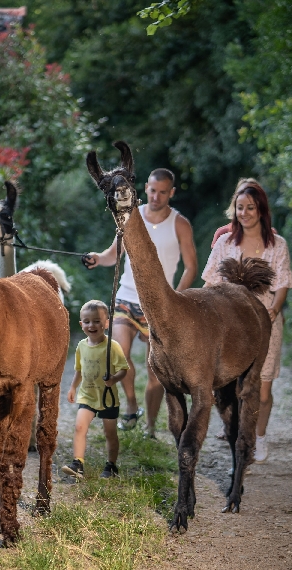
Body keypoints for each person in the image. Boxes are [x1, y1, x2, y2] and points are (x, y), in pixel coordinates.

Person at [83, 168, 198, 438]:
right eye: (152, 190)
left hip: (161, 304)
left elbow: (191, 267)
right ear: (145, 188)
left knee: (156, 371)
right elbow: (114, 254)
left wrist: (176, 299)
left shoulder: (180, 224)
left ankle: (150, 426)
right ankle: (131, 407)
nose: (156, 196)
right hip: (127, 297)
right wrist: (96, 259)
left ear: (172, 192)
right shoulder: (131, 215)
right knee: (118, 356)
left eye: (162, 192)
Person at [201, 179, 292, 462]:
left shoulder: (277, 244)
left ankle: (259, 437)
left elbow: (283, 284)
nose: (244, 213)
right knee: (235, 390)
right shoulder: (225, 244)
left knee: (262, 391)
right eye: (240, 208)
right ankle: (241, 446)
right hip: (231, 325)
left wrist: (274, 311)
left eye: (250, 208)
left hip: (266, 321)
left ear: (261, 210)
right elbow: (209, 283)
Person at [61, 300, 130, 480]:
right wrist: (73, 387)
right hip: (87, 396)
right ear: (81, 324)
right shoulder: (81, 346)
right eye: (87, 321)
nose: (92, 325)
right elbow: (79, 370)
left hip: (107, 398)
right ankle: (78, 463)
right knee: (79, 426)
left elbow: (124, 369)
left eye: (97, 321)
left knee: (110, 433)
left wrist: (114, 379)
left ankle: (111, 465)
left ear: (107, 323)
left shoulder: (112, 346)